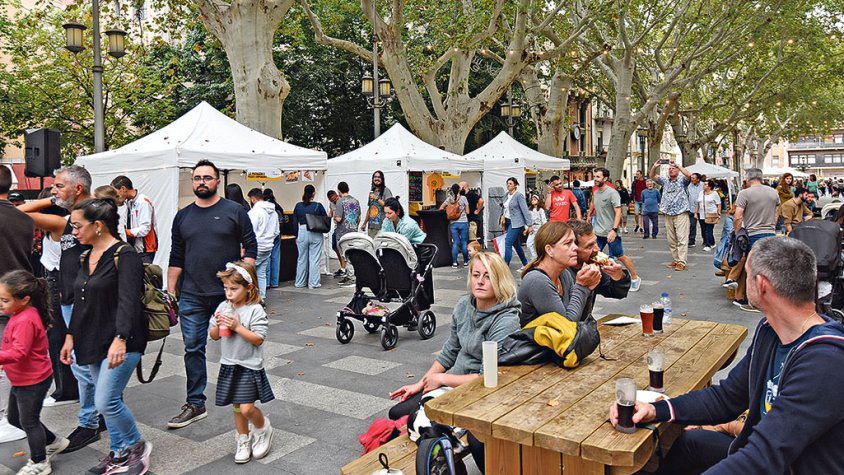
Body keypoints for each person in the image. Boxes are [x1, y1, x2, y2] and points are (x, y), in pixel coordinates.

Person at [611, 237, 844, 474]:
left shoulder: (826, 362)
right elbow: (727, 398)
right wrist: (656, 410)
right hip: (769, 456)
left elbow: (761, 458)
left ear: (761, 285)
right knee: (692, 443)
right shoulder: (771, 331)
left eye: (746, 273)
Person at [388, 251, 521, 474]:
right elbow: (449, 351)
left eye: (488, 276)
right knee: (397, 413)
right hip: (452, 383)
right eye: (476, 275)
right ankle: (452, 465)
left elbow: (486, 377)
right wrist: (421, 384)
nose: (480, 281)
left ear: (500, 280)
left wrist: (442, 379)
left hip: (482, 392)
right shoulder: (464, 305)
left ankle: (450, 462)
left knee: (432, 429)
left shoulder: (506, 319)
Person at [60, 198, 151, 474]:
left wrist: (120, 338)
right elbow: (81, 301)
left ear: (97, 225)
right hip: (93, 338)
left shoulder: (125, 255)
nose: (74, 232)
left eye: (78, 226)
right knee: (109, 402)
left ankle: (137, 446)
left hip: (123, 340)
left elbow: (129, 301)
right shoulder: (85, 256)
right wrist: (70, 336)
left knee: (105, 401)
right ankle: (118, 453)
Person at [167, 160, 258, 429]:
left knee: (239, 347)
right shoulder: (183, 216)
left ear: (217, 181)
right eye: (197, 178)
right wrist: (170, 290)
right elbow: (176, 255)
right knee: (193, 348)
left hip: (227, 296)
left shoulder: (234, 211)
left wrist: (243, 283)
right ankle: (195, 403)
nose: (202, 182)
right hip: (192, 294)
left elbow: (251, 245)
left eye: (207, 177)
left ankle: (244, 401)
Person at [18, 166, 102, 452]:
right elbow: (19, 213)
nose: (53, 191)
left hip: (91, 303)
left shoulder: (99, 217)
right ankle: (98, 414)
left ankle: (90, 422)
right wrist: (53, 200)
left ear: (78, 189)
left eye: (58, 186)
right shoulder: (64, 222)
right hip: (69, 302)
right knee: (83, 364)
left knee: (86, 364)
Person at [0, 271, 69, 475]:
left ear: (24, 300)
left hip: (32, 381)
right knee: (15, 419)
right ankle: (54, 441)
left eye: (5, 300)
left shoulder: (25, 320)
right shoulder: (19, 315)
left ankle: (40, 461)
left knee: (29, 422)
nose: (0, 304)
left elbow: (19, 352)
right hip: (22, 379)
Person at [209, 262, 274, 464]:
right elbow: (214, 336)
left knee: (246, 408)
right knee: (237, 406)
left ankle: (262, 428)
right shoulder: (223, 307)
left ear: (249, 288)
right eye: (226, 288)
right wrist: (218, 324)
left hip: (249, 365)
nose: (229, 293)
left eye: (234, 289)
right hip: (229, 364)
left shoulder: (255, 310)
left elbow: (258, 339)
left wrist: (237, 327)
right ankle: (243, 438)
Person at [517, 221, 597, 326]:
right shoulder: (537, 280)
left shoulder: (564, 274)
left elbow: (580, 318)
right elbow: (565, 326)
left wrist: (588, 288)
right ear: (549, 250)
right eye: (568, 243)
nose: (575, 248)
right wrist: (582, 287)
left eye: (574, 242)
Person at [730, 168, 780, 312]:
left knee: (752, 269)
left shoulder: (744, 193)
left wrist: (738, 233)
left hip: (753, 234)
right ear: (761, 178)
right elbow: (777, 212)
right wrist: (772, 226)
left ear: (747, 179)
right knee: (767, 267)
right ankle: (767, 299)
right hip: (770, 234)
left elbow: (737, 216)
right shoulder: (773, 192)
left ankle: (755, 302)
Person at [567, 220, 631, 321]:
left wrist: (618, 276)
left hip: (585, 327)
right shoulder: (560, 273)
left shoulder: (591, 266)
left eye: (595, 242)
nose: (597, 249)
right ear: (572, 249)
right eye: (589, 246)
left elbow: (618, 293)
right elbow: (567, 320)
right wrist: (582, 287)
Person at [591, 169, 641, 291]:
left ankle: (635, 278)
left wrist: (614, 230)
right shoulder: (595, 193)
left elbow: (618, 212)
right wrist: (589, 218)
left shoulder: (612, 193)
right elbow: (595, 209)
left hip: (611, 232)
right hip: (598, 231)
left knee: (620, 255)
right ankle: (604, 274)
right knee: (594, 255)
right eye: (595, 176)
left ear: (605, 179)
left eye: (598, 177)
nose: (595, 179)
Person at [650, 160, 692, 271]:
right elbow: (652, 176)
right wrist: (654, 167)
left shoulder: (682, 180)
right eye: (669, 169)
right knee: (671, 239)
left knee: (682, 238)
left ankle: (682, 261)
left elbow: (689, 175)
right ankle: (676, 259)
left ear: (678, 170)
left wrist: (678, 165)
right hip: (668, 213)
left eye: (673, 168)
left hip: (681, 212)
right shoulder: (665, 181)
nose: (671, 170)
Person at [111, 176, 158, 264]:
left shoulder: (143, 202)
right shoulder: (129, 202)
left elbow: (144, 229)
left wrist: (125, 232)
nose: (116, 196)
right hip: (134, 248)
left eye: (116, 193)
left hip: (145, 250)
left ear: (123, 189)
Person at [245, 188, 279, 300]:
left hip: (255, 247)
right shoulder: (273, 212)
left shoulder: (254, 212)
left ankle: (251, 300)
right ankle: (262, 299)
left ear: (253, 199)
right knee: (261, 274)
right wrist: (268, 240)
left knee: (248, 274)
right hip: (268, 247)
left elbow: (250, 231)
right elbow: (276, 231)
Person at [293, 184, 327, 289]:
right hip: (315, 231)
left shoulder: (298, 206)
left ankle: (299, 282)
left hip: (302, 231)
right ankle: (313, 283)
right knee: (314, 259)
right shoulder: (318, 206)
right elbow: (325, 218)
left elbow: (294, 223)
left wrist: (296, 236)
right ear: (313, 193)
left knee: (301, 259)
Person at [333, 182, 361, 285]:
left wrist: (334, 216)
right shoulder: (355, 201)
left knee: (345, 255)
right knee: (352, 254)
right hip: (353, 231)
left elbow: (338, 218)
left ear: (339, 190)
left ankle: (351, 278)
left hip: (343, 233)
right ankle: (352, 275)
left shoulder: (340, 201)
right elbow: (359, 218)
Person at [501, 177, 532, 271]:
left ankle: (505, 266)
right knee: (516, 244)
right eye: (507, 183)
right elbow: (503, 209)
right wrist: (502, 223)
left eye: (510, 183)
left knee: (508, 242)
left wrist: (529, 224)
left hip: (516, 222)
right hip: (507, 221)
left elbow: (525, 210)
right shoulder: (506, 195)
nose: (508, 185)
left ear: (515, 185)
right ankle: (525, 263)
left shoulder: (519, 196)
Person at [440, 183, 471, 268]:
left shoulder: (449, 199)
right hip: (463, 223)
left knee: (456, 243)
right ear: (459, 190)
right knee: (464, 242)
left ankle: (454, 263)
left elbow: (441, 207)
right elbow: (468, 212)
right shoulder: (464, 198)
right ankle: (465, 262)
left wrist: (449, 211)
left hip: (453, 223)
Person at [360, 170, 393, 238]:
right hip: (371, 227)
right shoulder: (372, 192)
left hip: (383, 226)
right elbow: (370, 209)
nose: (377, 178)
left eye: (379, 177)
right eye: (375, 177)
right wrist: (364, 223)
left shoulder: (386, 190)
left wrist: (377, 198)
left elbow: (389, 207)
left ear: (382, 179)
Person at [262, 189, 284, 289]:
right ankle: (274, 282)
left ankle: (266, 282)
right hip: (276, 234)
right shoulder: (277, 206)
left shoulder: (262, 208)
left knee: (266, 258)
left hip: (266, 236)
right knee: (276, 258)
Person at [695, 179, 722, 251]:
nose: (703, 185)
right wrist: (696, 213)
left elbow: (718, 204)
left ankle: (708, 245)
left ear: (710, 186)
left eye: (705, 184)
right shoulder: (701, 193)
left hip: (711, 214)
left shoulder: (714, 193)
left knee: (708, 230)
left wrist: (719, 213)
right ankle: (712, 243)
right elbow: (698, 203)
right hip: (701, 214)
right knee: (704, 230)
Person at [526, 194, 548, 260]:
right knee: (529, 244)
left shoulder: (541, 210)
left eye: (535, 199)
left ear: (538, 201)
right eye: (532, 200)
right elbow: (527, 220)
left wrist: (543, 229)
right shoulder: (529, 210)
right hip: (532, 228)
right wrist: (527, 228)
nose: (533, 201)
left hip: (539, 228)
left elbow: (544, 220)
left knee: (539, 244)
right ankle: (534, 258)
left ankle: (541, 258)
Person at [685, 173, 704, 248]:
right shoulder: (689, 185)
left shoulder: (703, 185)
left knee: (703, 226)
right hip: (692, 208)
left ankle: (706, 240)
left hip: (702, 209)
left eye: (693, 178)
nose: (691, 179)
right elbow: (687, 195)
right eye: (691, 178)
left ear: (698, 179)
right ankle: (691, 241)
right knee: (692, 225)